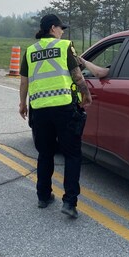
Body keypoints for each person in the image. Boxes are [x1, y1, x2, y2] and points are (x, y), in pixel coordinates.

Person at [19, 13, 92, 219]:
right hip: (63, 108)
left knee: (45, 154)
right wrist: (86, 94)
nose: (62, 32)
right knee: (72, 154)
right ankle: (69, 202)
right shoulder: (64, 46)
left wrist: (22, 103)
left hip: (40, 109)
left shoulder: (30, 50)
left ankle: (43, 196)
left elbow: (24, 81)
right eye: (61, 28)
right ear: (53, 28)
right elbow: (77, 75)